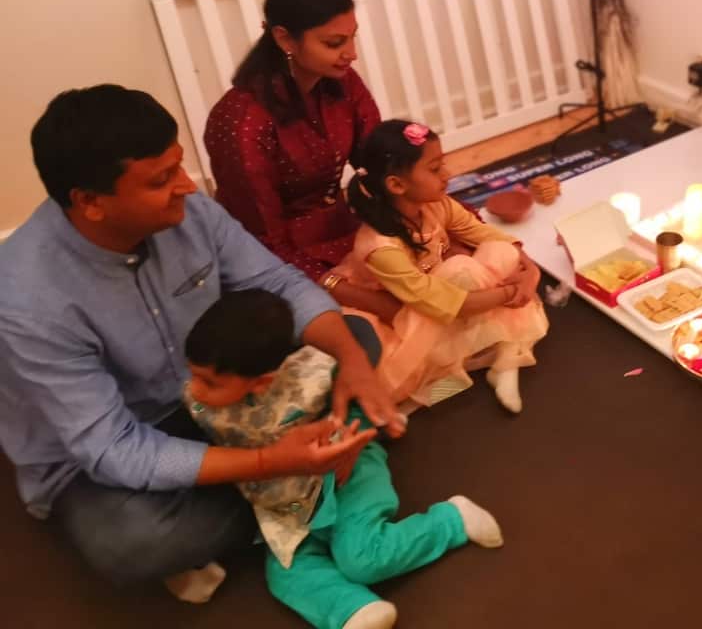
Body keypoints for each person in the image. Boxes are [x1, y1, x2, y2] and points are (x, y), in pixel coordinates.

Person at [0, 85, 401, 602]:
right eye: (161, 180)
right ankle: (321, 474)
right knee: (130, 543)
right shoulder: (26, 299)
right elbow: (113, 448)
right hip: (119, 439)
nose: (187, 186)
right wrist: (271, 463)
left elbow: (275, 283)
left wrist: (349, 359)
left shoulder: (189, 211)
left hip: (217, 388)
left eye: (179, 166)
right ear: (90, 203)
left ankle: (298, 481)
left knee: (354, 338)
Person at [184, 289, 502, 629]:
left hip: (345, 476)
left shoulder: (318, 374)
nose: (195, 390)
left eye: (209, 382)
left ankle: (451, 520)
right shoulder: (199, 402)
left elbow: (359, 404)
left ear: (262, 382)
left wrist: (353, 438)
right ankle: (352, 609)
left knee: (363, 559)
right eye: (192, 375)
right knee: (286, 573)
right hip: (283, 506)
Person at [204, 0, 394, 319]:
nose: (351, 54)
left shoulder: (343, 82)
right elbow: (264, 242)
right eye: (334, 43)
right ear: (285, 39)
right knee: (375, 321)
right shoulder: (241, 122)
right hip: (277, 259)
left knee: (450, 260)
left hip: (341, 227)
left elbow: (382, 164)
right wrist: (363, 297)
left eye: (352, 38)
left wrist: (436, 220)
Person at [337, 120, 548, 413]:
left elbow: (487, 234)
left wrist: (531, 272)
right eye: (435, 169)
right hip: (406, 315)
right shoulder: (379, 247)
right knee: (460, 273)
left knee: (500, 252)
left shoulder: (436, 205)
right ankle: (438, 388)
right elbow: (438, 302)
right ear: (397, 185)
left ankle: (501, 362)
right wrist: (512, 291)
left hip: (445, 299)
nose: (447, 175)